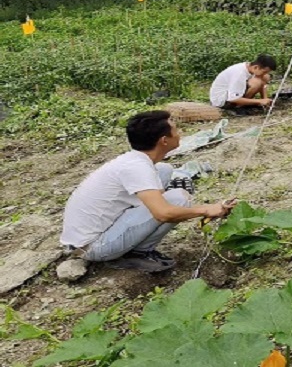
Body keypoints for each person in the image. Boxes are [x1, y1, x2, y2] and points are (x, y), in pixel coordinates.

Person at [60, 110, 235, 273]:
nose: (179, 134)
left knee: (164, 170)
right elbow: (163, 214)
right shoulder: (137, 168)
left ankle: (131, 244)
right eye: (175, 131)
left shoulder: (134, 160)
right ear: (164, 141)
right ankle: (137, 252)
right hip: (93, 247)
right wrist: (206, 209)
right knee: (178, 199)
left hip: (88, 235)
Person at [209, 54, 277, 110]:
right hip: (222, 101)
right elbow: (233, 98)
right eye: (264, 71)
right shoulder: (239, 74)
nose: (264, 74)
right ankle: (239, 107)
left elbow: (263, 83)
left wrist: (265, 99)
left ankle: (246, 104)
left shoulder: (249, 67)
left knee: (265, 77)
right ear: (256, 67)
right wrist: (259, 101)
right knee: (256, 83)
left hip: (231, 94)